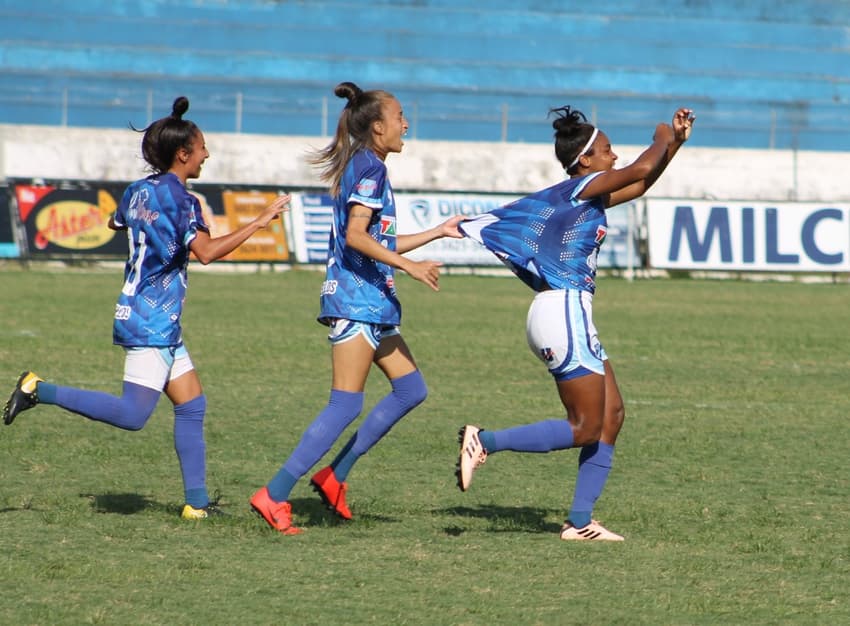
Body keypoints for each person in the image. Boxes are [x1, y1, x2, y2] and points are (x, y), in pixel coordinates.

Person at [2, 96, 289, 520]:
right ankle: (38, 389)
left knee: (192, 404)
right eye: (203, 147)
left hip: (149, 312)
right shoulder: (184, 201)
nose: (207, 154)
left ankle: (196, 504)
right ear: (183, 154)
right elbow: (207, 253)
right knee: (134, 415)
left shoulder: (138, 190)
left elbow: (115, 223)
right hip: (152, 317)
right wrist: (258, 222)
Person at [455, 105, 695, 541]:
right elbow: (642, 165)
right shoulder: (584, 186)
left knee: (612, 415)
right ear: (585, 160)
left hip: (564, 312)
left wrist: (674, 145)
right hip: (563, 311)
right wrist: (661, 134)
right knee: (585, 426)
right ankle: (485, 441)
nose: (614, 156)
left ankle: (580, 522)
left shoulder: (584, 194)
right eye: (606, 150)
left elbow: (641, 182)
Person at [250, 81, 465, 535]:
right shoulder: (370, 169)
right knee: (345, 405)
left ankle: (335, 475)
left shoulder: (365, 164)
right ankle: (274, 493)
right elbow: (356, 237)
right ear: (378, 126)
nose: (407, 124)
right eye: (400, 116)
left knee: (412, 390)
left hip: (373, 301)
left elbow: (376, 239)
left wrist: (437, 232)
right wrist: (409, 266)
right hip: (357, 301)